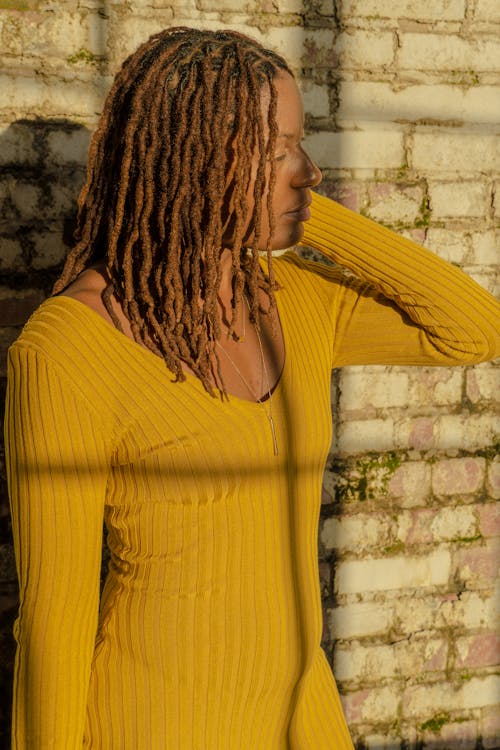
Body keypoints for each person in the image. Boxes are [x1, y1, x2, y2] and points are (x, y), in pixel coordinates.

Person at [5, 26, 499, 750]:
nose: (309, 171)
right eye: (274, 152)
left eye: (298, 145)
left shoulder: (292, 299)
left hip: (303, 715)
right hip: (152, 726)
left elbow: (472, 329)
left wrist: (300, 214)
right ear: (191, 164)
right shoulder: (68, 349)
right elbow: (54, 624)